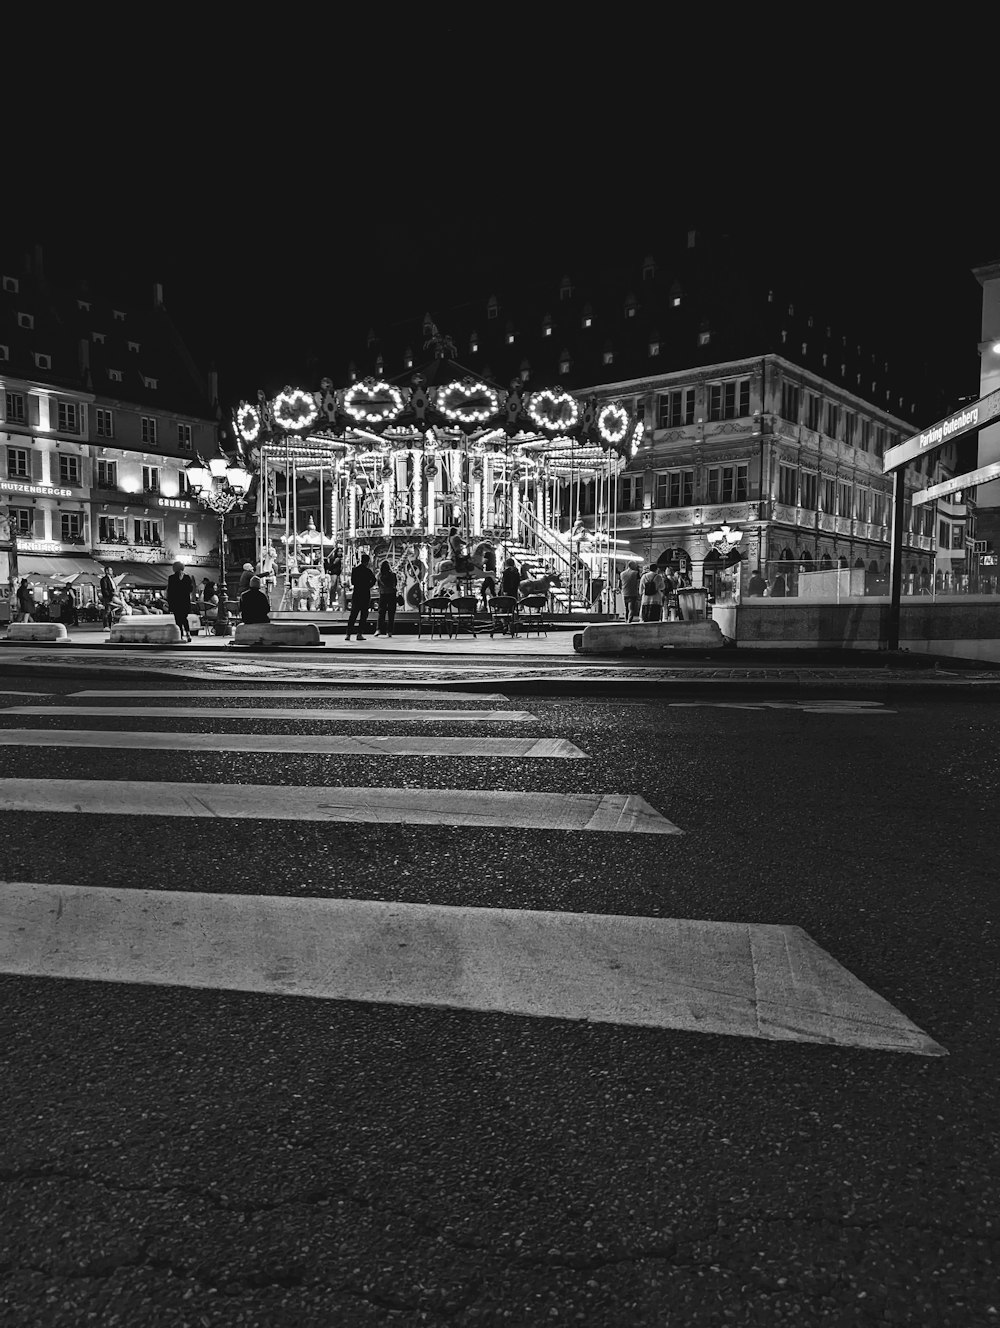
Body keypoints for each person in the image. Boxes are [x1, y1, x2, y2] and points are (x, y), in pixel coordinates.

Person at [346, 553, 377, 640]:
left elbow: (352, 582)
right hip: (365, 594)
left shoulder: (355, 570)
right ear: (367, 562)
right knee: (363, 615)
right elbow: (374, 580)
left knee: (353, 615)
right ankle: (359, 633)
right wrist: (368, 585)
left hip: (357, 594)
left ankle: (348, 634)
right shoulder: (368, 571)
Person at [166, 560, 195, 642]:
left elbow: (170, 592)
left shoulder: (171, 578)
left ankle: (181, 635)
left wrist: (170, 603)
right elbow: (190, 589)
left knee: (178, 619)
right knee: (184, 618)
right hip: (185, 601)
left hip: (175, 602)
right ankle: (188, 634)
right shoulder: (187, 577)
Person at [375, 559, 398, 638]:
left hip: (383, 594)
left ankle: (379, 629)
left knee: (381, 613)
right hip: (391, 594)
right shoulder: (393, 575)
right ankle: (390, 631)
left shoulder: (379, 576)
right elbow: (395, 584)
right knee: (391, 613)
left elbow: (378, 585)